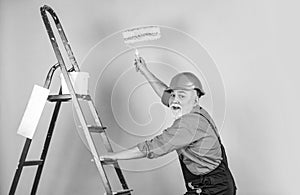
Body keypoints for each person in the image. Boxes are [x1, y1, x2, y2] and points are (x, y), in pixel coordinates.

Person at [100, 57, 237, 195]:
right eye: (174, 95)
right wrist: (144, 70)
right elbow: (165, 94)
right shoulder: (194, 110)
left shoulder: (189, 124)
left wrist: (114, 156)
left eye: (181, 96)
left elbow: (152, 148)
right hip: (214, 183)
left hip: (215, 189)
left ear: (195, 99)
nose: (175, 100)